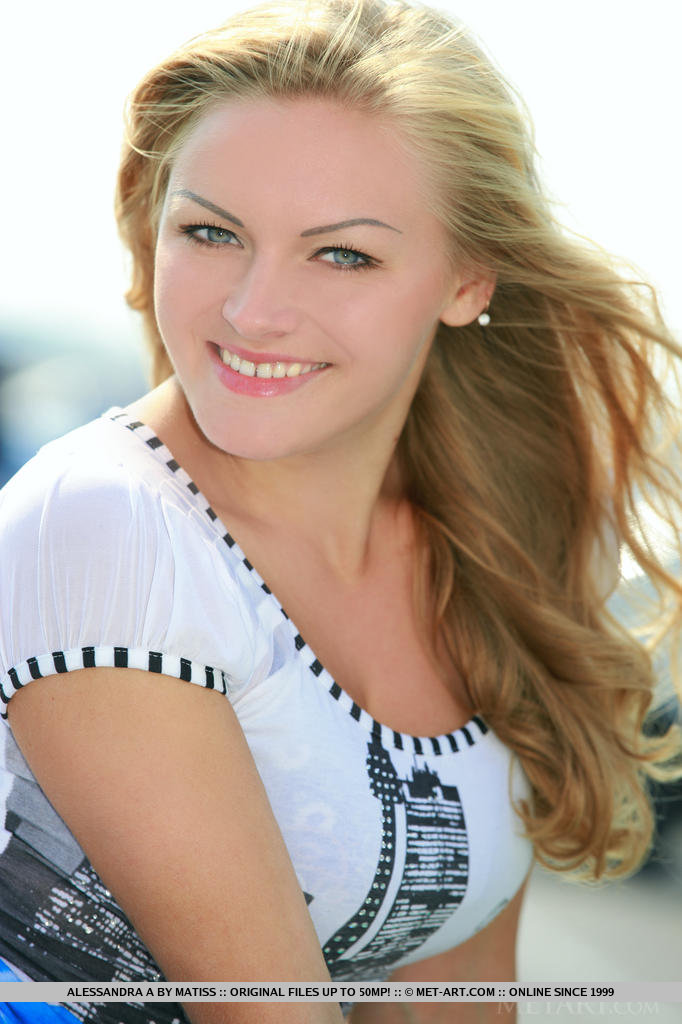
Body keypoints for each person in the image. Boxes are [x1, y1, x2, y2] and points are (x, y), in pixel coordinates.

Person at [0, 0, 680, 1022]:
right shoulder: (106, 528)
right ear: (153, 227)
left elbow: (450, 992)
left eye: (342, 254)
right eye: (212, 232)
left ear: (468, 280)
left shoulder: (483, 546)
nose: (252, 311)